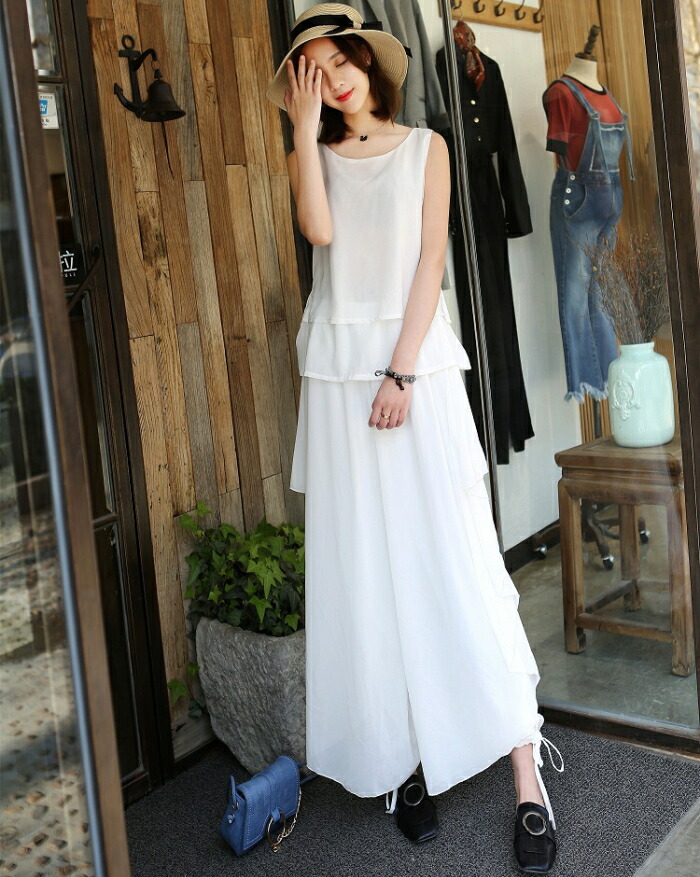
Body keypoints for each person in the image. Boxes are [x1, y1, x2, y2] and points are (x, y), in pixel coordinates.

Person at [266, 4, 563, 872]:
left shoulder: (427, 146)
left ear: (369, 62)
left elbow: (431, 260)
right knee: (366, 567)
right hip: (337, 381)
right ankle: (401, 763)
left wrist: (400, 372)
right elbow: (320, 233)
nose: (334, 78)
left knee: (456, 555)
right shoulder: (313, 155)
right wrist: (303, 131)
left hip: (413, 370)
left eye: (342, 60)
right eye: (314, 70)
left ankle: (526, 773)